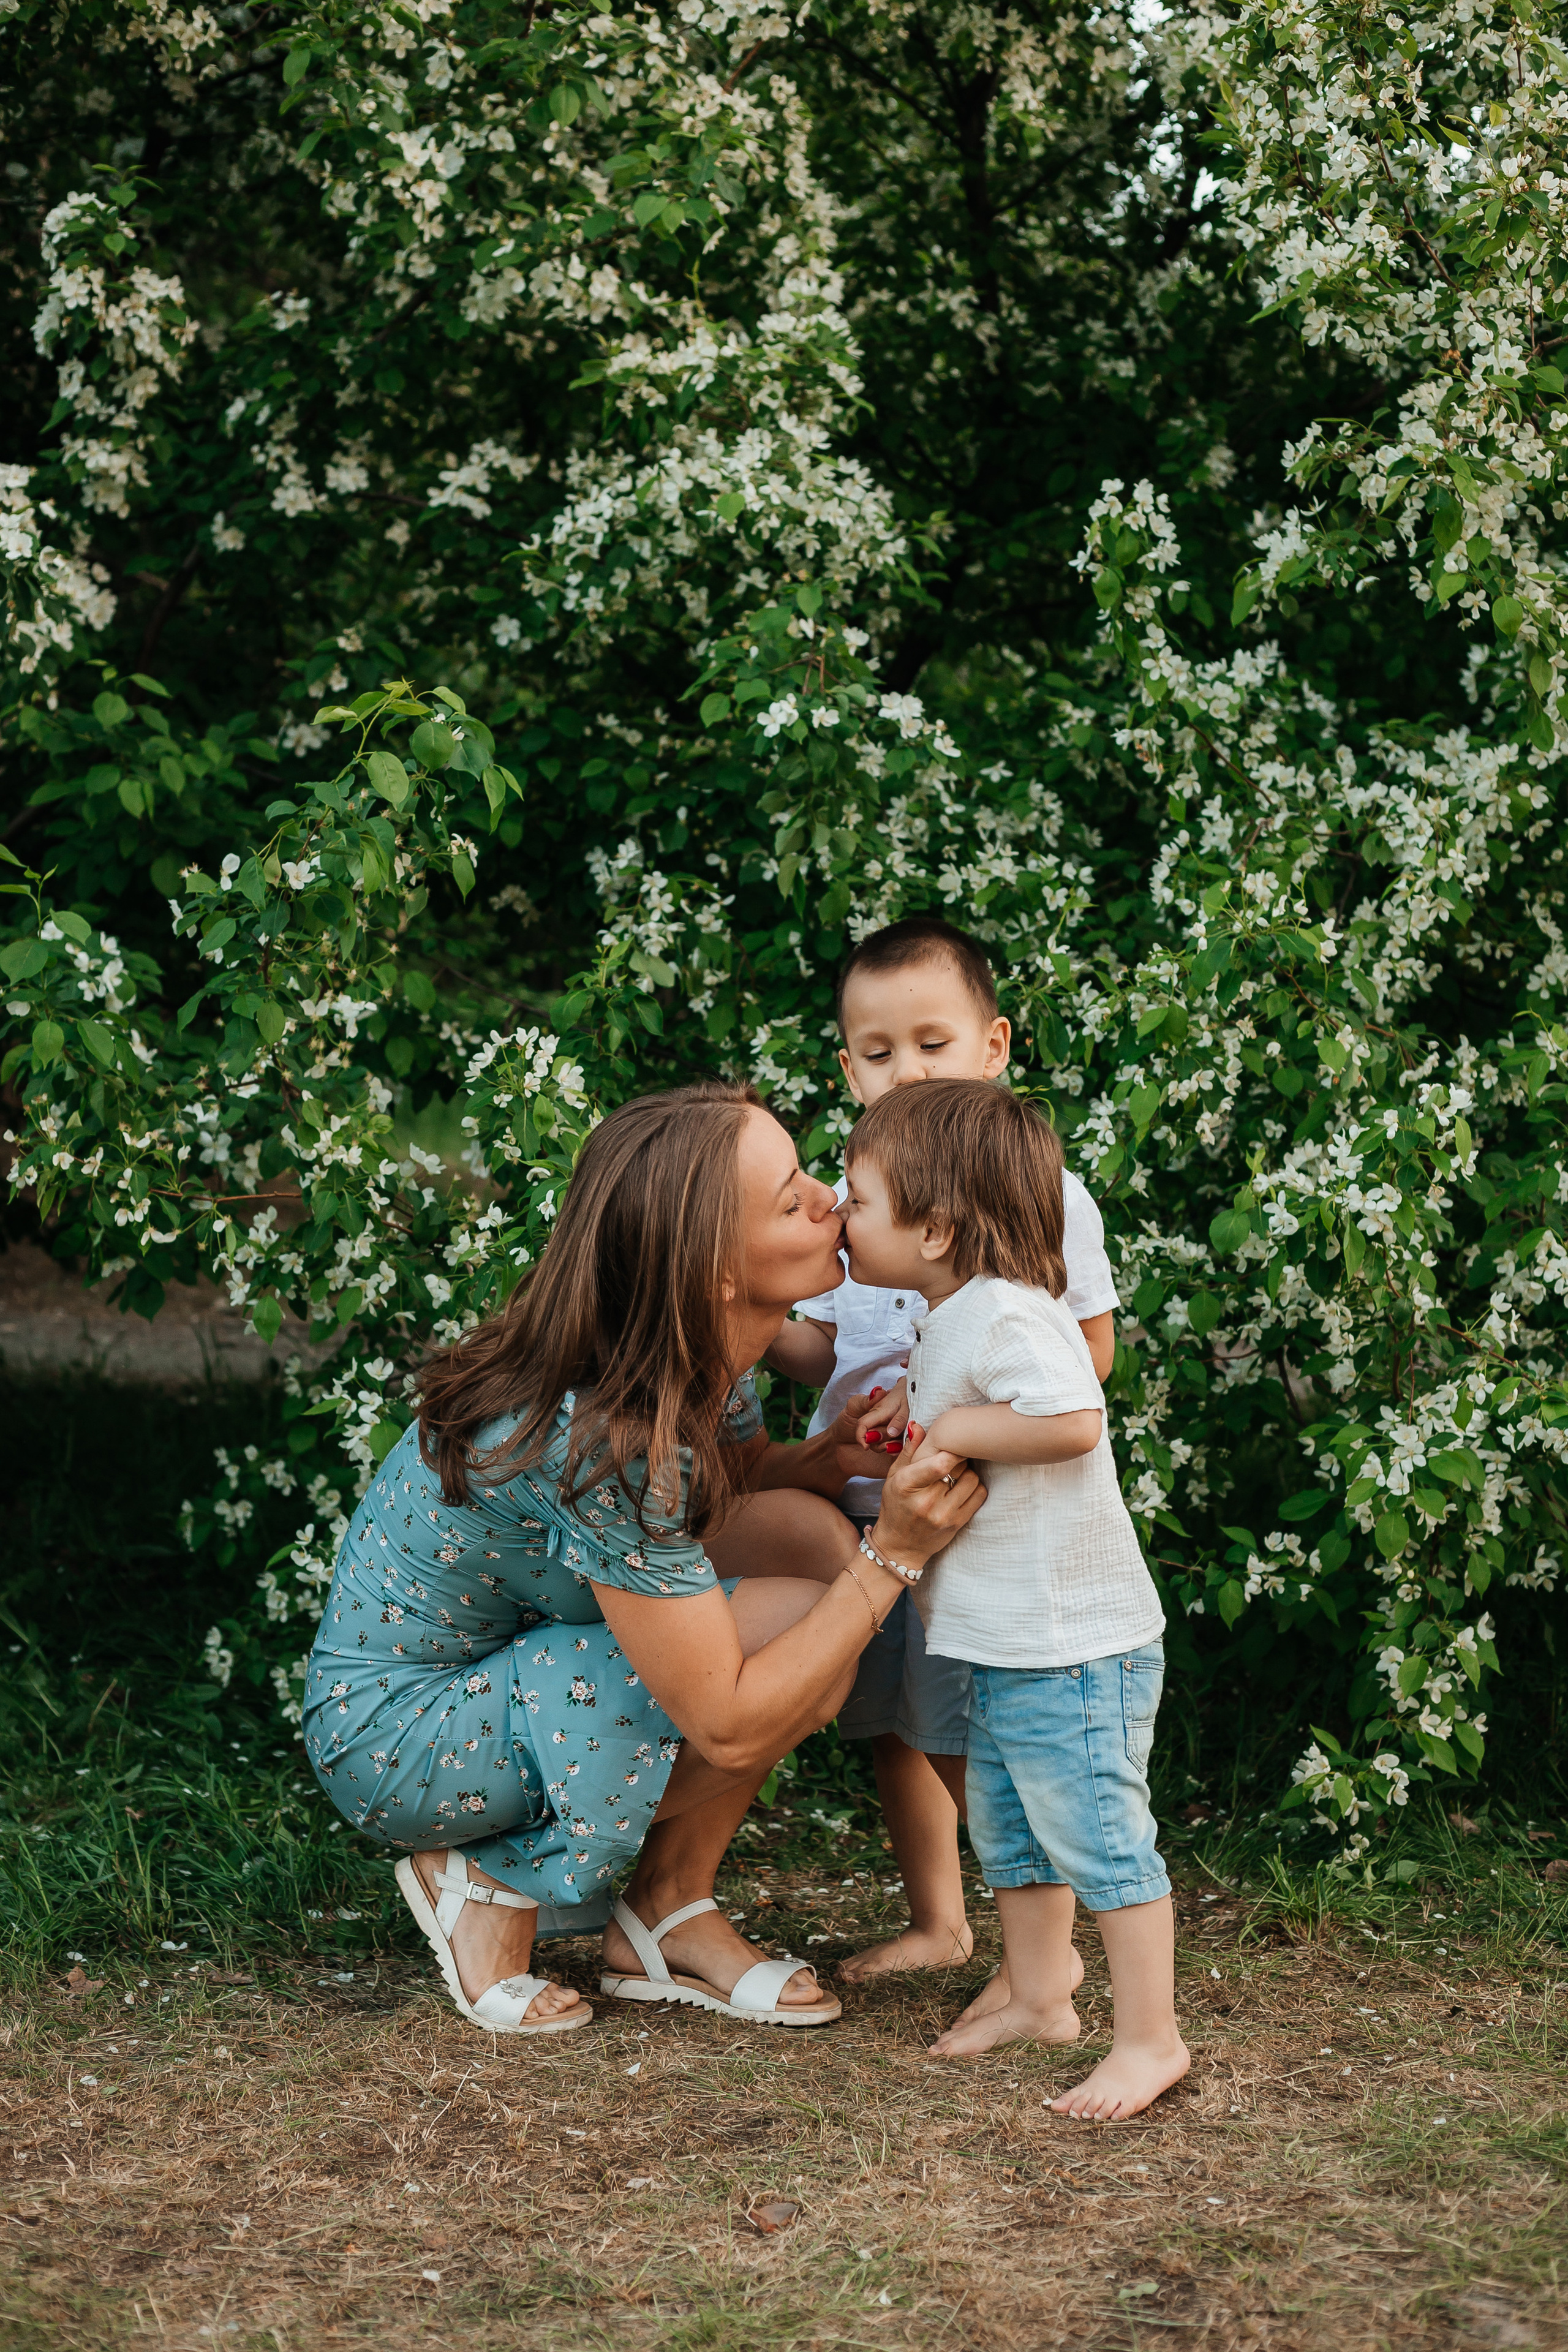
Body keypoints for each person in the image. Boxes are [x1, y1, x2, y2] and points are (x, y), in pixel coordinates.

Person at [301, 1082, 984, 2036]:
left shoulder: (694, 1342)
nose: (831, 1197)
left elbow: (730, 1480)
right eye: (791, 1201)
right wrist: (896, 1554)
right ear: (713, 1271)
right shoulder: (610, 1442)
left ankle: (667, 1905)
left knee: (813, 1541)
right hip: (402, 1735)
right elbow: (732, 1723)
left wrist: (821, 1464)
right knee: (822, 1619)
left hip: (527, 1642)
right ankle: (486, 1880)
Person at [763, 916, 1118, 1982]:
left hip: (982, 1517)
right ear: (847, 1067)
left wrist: (957, 1415)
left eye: (933, 1043)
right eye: (878, 1054)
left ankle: (1035, 1949)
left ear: (995, 1047)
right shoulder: (861, 1193)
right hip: (872, 1512)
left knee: (982, 1732)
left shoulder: (1036, 1191)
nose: (906, 1070)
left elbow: (1088, 1354)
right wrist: (749, 1306)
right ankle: (938, 1919)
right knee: (900, 1723)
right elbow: (827, 1342)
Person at [840, 1076, 1188, 2117]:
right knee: (1012, 1828)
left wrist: (950, 1433)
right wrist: (906, 1406)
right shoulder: (955, 1312)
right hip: (1006, 1640)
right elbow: (971, 1386)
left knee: (1097, 1834)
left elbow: (1072, 1416)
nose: (840, 1214)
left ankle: (1151, 2039)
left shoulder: (1006, 1312)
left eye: (859, 1199)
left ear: (936, 1229)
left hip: (1070, 1644)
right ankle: (1040, 1994)